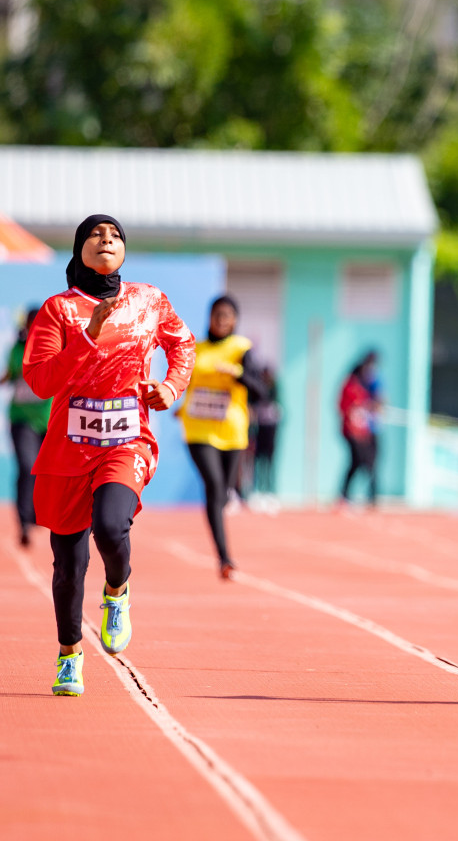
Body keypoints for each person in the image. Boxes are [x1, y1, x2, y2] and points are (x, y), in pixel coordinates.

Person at [22, 214, 195, 696]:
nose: (106, 240)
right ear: (79, 250)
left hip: (126, 440)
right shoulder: (58, 310)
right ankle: (69, 655)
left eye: (115, 235)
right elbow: (39, 381)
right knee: (68, 567)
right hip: (68, 448)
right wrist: (86, 335)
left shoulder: (148, 300)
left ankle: (117, 592)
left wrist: (170, 385)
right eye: (95, 234)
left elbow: (182, 344)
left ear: (124, 251)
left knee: (112, 525)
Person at [180, 295, 263, 579]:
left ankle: (226, 502)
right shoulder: (196, 348)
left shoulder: (242, 349)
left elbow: (261, 391)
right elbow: (181, 381)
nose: (221, 320)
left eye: (227, 315)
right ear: (209, 316)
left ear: (235, 320)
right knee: (214, 486)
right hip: (198, 429)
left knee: (225, 492)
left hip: (232, 431)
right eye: (217, 314)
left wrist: (238, 374)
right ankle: (224, 557)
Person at [3, 308, 50, 547]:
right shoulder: (16, 350)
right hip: (21, 419)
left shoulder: (54, 348)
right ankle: (23, 522)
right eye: (32, 323)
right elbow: (9, 376)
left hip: (50, 420)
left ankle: (37, 515)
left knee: (48, 471)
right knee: (26, 466)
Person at [339, 351, 383, 506]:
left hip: (364, 432)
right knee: (357, 461)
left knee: (369, 463)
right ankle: (345, 494)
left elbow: (377, 402)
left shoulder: (367, 386)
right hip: (353, 432)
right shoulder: (351, 387)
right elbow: (346, 408)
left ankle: (372, 495)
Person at [250, 364, 282, 503]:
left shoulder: (275, 389)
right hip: (259, 428)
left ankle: (270, 490)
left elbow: (277, 405)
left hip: (270, 429)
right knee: (257, 460)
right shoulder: (255, 390)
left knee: (270, 460)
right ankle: (257, 490)